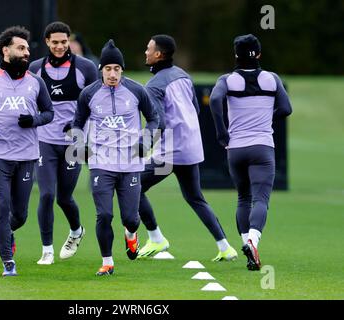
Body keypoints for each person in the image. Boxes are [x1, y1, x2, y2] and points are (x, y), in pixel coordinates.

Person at [138, 34, 238, 262]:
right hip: (191, 148)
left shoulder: (153, 85)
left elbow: (159, 122)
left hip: (169, 154)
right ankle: (225, 247)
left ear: (158, 54)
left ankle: (155, 238)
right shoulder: (183, 75)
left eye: (148, 49)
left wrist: (142, 146)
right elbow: (195, 108)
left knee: (132, 186)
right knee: (195, 198)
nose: (145, 52)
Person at [68, 39, 159, 276]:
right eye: (108, 69)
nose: (112, 74)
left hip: (130, 164)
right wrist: (81, 148)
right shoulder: (88, 94)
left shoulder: (137, 90)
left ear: (122, 70)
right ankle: (107, 262)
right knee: (105, 214)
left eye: (116, 69)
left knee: (131, 218)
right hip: (101, 163)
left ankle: (131, 235)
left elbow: (154, 119)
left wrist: (145, 142)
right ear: (101, 70)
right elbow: (77, 123)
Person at [0, 26, 54, 276]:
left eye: (27, 48)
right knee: (1, 206)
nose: (27, 52)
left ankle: (7, 233)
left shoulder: (36, 82)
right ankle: (8, 262)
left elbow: (49, 113)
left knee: (20, 215)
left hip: (27, 155)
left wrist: (34, 121)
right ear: (6, 50)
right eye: (21, 47)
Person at [209, 34, 292, 270]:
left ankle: (247, 246)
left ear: (235, 55)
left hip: (235, 148)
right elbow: (286, 108)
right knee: (260, 199)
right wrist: (267, 118)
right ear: (259, 54)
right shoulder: (272, 79)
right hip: (262, 147)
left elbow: (215, 100)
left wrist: (221, 131)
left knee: (243, 197)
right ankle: (253, 241)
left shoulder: (227, 80)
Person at [28, 22, 98, 265]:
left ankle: (77, 231)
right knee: (46, 194)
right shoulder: (35, 69)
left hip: (73, 143)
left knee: (64, 198)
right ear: (47, 42)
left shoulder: (86, 68)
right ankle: (47, 250)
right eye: (55, 42)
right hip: (44, 141)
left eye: (63, 42)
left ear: (69, 41)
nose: (59, 46)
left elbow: (94, 102)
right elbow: (27, 101)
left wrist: (80, 127)